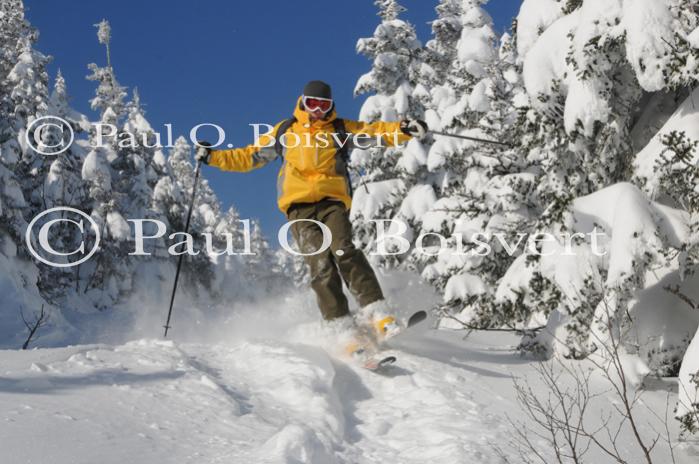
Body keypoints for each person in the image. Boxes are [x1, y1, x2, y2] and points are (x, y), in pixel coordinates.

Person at [196, 80, 427, 357]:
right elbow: (249, 156)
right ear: (302, 103)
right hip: (299, 207)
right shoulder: (285, 131)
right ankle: (342, 328)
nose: (317, 110)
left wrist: (402, 130)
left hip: (332, 202)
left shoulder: (339, 130)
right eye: (312, 104)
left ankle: (379, 315)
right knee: (320, 265)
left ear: (330, 107)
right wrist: (213, 157)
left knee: (344, 250)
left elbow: (374, 133)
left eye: (324, 105)